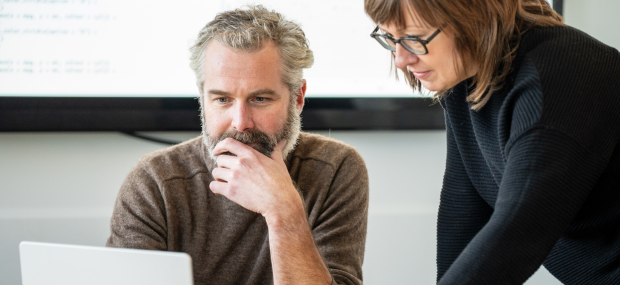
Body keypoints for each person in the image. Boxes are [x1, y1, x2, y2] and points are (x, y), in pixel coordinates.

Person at [106, 5, 369, 285]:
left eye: (260, 99)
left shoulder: (335, 169)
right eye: (222, 100)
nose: (240, 123)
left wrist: (284, 213)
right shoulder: (155, 181)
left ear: (297, 98)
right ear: (202, 99)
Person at [365, 0, 620, 284]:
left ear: (473, 18)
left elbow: (519, 232)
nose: (400, 59)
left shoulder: (560, 77)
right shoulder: (468, 74)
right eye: (390, 38)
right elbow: (464, 208)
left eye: (414, 38)